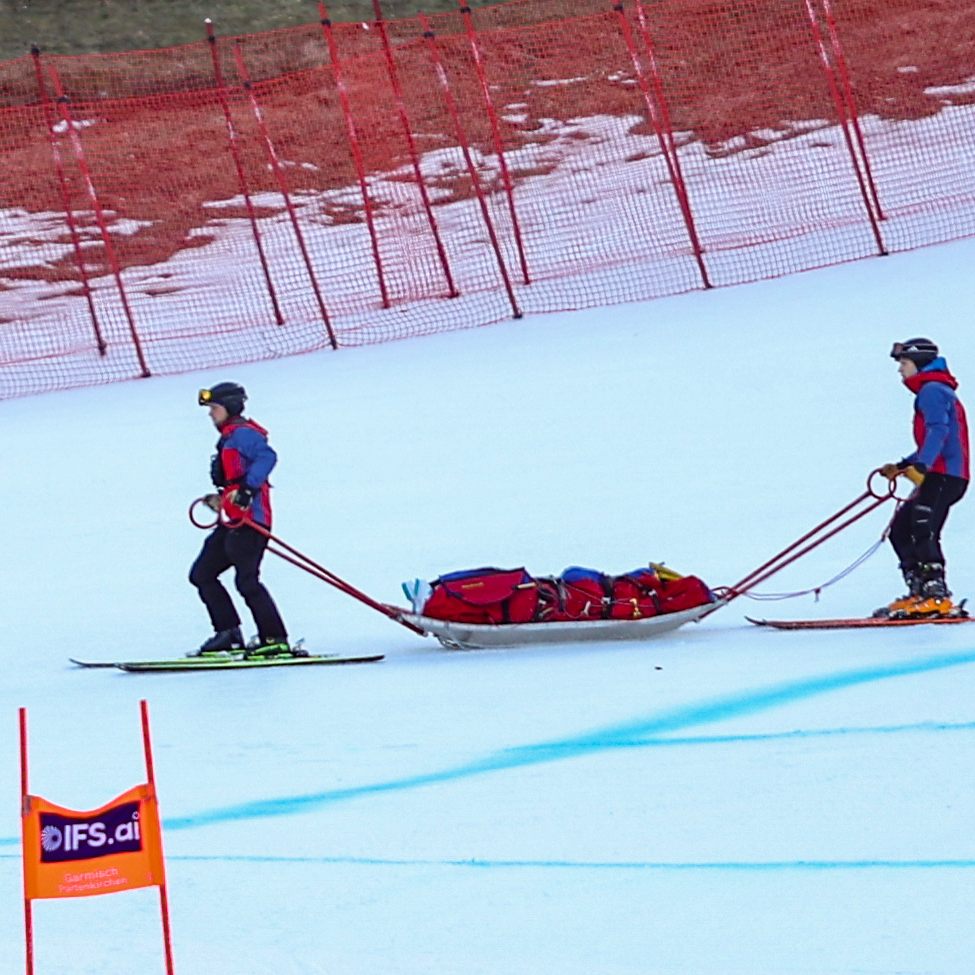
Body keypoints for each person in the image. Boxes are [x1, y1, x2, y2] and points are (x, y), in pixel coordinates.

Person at [188, 382, 291, 656]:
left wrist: (247, 490)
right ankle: (228, 633)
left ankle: (275, 639)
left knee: (247, 581)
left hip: (252, 523)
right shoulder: (230, 437)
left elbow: (267, 458)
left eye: (214, 408)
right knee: (202, 574)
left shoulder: (244, 435)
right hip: (232, 522)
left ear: (230, 408)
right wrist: (221, 500)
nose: (211, 414)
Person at [876, 338, 969, 618]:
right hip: (938, 474)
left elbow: (939, 432)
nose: (900, 370)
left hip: (945, 476)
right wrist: (903, 465)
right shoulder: (933, 390)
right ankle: (919, 590)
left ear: (919, 364)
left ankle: (936, 594)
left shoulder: (931, 391)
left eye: (904, 364)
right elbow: (934, 438)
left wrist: (923, 466)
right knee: (901, 529)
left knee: (922, 526)